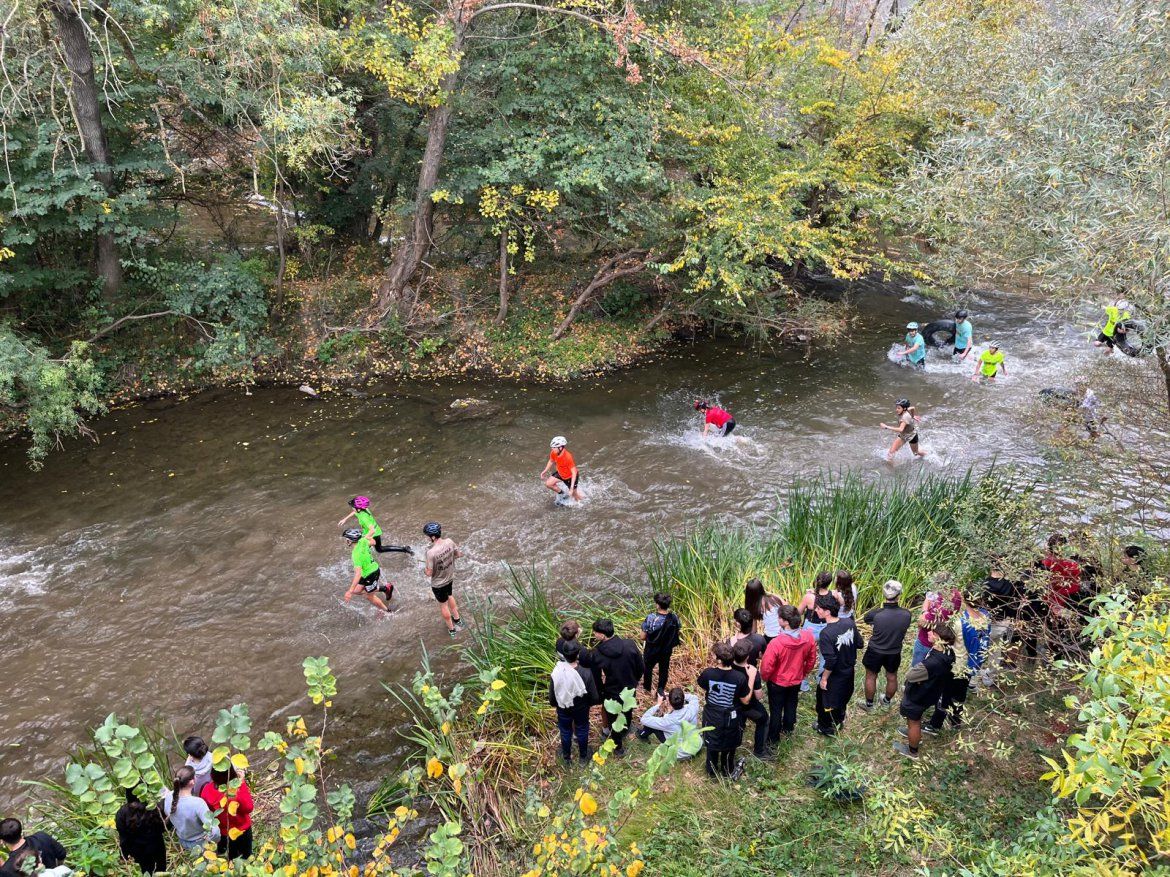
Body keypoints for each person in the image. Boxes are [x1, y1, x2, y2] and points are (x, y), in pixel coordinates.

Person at [581, 618, 644, 756]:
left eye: (595, 633)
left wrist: (601, 692)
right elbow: (640, 666)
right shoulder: (629, 644)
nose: (594, 635)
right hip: (629, 686)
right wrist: (635, 680)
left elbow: (596, 677)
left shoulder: (597, 653)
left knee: (613, 720)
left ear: (602, 635)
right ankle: (626, 727)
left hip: (612, 690)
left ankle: (618, 748)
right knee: (627, 708)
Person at [894, 623, 956, 760]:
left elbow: (910, 675)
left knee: (914, 721)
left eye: (932, 632)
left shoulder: (932, 663)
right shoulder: (948, 653)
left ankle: (912, 750)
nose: (928, 633)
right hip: (932, 693)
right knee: (915, 719)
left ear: (939, 638)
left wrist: (919, 679)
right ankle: (913, 734)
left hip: (918, 696)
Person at [927, 602, 991, 734]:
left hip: (956, 664)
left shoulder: (959, 622)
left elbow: (947, 639)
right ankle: (956, 721)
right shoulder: (986, 617)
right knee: (960, 694)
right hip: (970, 664)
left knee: (944, 695)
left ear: (965, 600)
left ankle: (935, 724)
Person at [760, 605, 816, 741]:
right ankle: (788, 728)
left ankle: (773, 737)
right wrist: (803, 673)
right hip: (796, 679)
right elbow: (812, 659)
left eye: (779, 617)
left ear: (785, 622)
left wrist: (766, 678)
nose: (777, 619)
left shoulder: (776, 643)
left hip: (777, 681)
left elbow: (767, 666)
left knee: (776, 709)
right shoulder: (808, 637)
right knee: (791, 704)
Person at [697, 641, 750, 779]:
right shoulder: (739, 677)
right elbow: (745, 700)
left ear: (719, 659)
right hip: (730, 717)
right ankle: (727, 770)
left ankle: (712, 772)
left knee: (712, 743)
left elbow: (702, 684)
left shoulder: (708, 674)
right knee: (729, 743)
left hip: (712, 714)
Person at [860, 579, 913, 711]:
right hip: (894, 651)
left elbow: (867, 619)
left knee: (871, 676)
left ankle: (869, 705)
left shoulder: (876, 614)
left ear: (884, 594)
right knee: (892, 676)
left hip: (875, 650)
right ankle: (887, 701)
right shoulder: (907, 614)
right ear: (899, 595)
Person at [814, 594, 862, 737]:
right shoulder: (849, 622)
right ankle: (839, 721)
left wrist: (824, 679)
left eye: (818, 608)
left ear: (827, 611)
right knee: (843, 697)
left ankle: (825, 728)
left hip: (835, 674)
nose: (816, 610)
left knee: (825, 702)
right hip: (848, 670)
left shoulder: (826, 633)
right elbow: (860, 643)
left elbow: (831, 661)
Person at [548, 641, 599, 765]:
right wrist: (588, 704)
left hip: (563, 707)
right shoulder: (586, 672)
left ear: (563, 654)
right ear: (578, 654)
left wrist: (556, 704)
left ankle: (566, 758)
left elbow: (552, 695)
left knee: (565, 731)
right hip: (581, 708)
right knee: (582, 729)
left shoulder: (556, 672)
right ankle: (583, 757)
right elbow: (594, 696)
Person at [199, 765, 253, 861]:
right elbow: (249, 808)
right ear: (232, 775)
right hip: (242, 830)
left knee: (230, 856)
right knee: (246, 855)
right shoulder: (236, 792)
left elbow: (206, 811)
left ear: (212, 775)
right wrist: (241, 783)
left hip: (223, 832)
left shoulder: (206, 790)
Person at [163, 765, 221, 851]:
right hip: (201, 843)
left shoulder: (168, 797)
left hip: (183, 840)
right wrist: (212, 841)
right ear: (192, 782)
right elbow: (215, 831)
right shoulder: (198, 803)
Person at [423, 522, 465, 637]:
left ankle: (452, 630)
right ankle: (458, 619)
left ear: (432, 537)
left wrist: (424, 570)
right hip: (450, 578)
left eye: (428, 536)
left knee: (443, 605)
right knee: (450, 595)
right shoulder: (450, 541)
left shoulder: (430, 553)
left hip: (438, 584)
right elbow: (458, 554)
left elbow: (429, 573)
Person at [636, 687, 702, 760]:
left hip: (681, 753)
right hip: (696, 747)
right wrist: (675, 696)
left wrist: (658, 704)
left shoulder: (668, 721)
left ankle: (642, 735)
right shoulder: (693, 707)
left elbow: (644, 719)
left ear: (670, 703)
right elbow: (694, 697)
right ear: (683, 700)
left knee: (653, 725)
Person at [342, 528, 394, 617]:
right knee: (357, 590)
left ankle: (387, 612)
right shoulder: (363, 541)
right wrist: (367, 537)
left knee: (369, 596)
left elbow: (358, 574)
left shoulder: (356, 555)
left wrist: (349, 591)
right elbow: (373, 542)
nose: (345, 541)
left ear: (349, 541)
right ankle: (385, 588)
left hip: (371, 574)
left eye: (346, 539)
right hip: (368, 571)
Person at [732, 638, 769, 758]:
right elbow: (758, 695)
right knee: (763, 719)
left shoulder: (728, 666)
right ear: (747, 657)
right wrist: (753, 678)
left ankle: (735, 742)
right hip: (747, 705)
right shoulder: (752, 671)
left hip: (732, 704)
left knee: (739, 723)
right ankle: (759, 751)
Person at [797, 572, 835, 691]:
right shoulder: (833, 595)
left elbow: (798, 612)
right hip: (826, 626)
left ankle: (803, 684)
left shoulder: (809, 597)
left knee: (804, 656)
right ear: (829, 583)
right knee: (825, 656)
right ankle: (821, 680)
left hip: (810, 628)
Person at [338, 496, 413, 555]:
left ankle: (404, 549)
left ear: (359, 509)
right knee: (374, 548)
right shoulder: (363, 510)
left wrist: (365, 538)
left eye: (353, 507)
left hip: (374, 533)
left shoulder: (364, 518)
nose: (352, 508)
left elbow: (372, 530)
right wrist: (345, 519)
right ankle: (404, 549)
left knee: (378, 549)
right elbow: (355, 512)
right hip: (370, 531)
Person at [912, 580, 963, 666]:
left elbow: (921, 621)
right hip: (945, 639)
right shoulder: (957, 595)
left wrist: (925, 610)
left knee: (916, 670)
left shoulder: (939, 609)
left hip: (927, 641)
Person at [115, 790, 167, 874]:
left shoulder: (122, 812)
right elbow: (165, 827)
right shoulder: (154, 808)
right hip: (157, 847)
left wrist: (123, 855)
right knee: (161, 871)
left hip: (136, 851)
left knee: (145, 872)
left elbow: (123, 836)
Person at [640, 593, 681, 696]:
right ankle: (661, 689)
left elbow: (642, 636)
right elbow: (677, 630)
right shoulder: (674, 617)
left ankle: (647, 688)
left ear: (657, 605)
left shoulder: (651, 618)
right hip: (666, 649)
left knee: (648, 668)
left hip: (652, 649)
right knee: (664, 669)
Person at [0, 820, 66, 871]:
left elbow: (8, 872)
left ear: (2, 841)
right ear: (20, 830)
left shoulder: (9, 867)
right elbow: (62, 855)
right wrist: (57, 869)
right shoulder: (42, 837)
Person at [541, 436, 582, 502]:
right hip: (561, 473)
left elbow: (574, 473)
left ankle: (582, 502)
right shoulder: (554, 452)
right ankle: (563, 495)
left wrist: (571, 488)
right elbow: (551, 461)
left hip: (570, 477)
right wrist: (545, 471)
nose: (552, 449)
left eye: (554, 447)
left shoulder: (568, 457)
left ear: (560, 447)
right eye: (552, 447)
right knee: (548, 484)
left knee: (575, 496)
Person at [743, 578, 783, 644]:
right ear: (761, 588)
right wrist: (772, 594)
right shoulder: (774, 598)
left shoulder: (754, 607)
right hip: (783, 633)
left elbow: (754, 630)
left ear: (749, 594)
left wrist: (746, 639)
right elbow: (786, 605)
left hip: (770, 637)